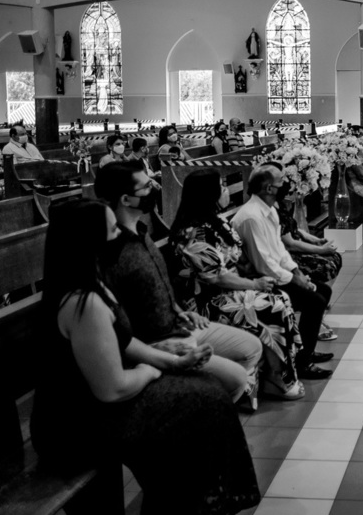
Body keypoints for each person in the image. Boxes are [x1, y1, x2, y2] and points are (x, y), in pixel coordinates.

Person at [30, 200, 260, 515]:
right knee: (198, 409)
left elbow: (124, 342)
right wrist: (151, 372)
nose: (117, 234)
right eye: (110, 229)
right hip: (75, 425)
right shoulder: (81, 301)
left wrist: (170, 360)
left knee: (205, 393)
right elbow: (112, 389)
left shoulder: (94, 281)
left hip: (97, 405)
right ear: (88, 239)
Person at [95, 161, 263, 405]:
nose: (154, 187)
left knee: (251, 347)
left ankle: (222, 408)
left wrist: (180, 311)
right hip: (154, 342)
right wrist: (159, 347)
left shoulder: (142, 232)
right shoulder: (113, 252)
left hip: (178, 324)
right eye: (147, 186)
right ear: (125, 199)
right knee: (235, 378)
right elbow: (118, 317)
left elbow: (161, 286)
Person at [170, 170, 305, 400]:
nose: (225, 191)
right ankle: (278, 378)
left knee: (281, 297)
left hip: (229, 289)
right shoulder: (194, 231)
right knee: (273, 305)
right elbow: (216, 277)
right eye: (221, 187)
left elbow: (235, 257)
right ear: (208, 194)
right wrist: (254, 284)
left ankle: (278, 373)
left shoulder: (215, 220)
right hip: (208, 300)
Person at [231, 165, 335, 380]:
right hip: (259, 279)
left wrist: (297, 272)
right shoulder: (251, 216)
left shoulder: (269, 209)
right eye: (281, 183)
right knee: (314, 300)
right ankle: (302, 363)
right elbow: (263, 263)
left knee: (323, 291)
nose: (285, 186)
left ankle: (304, 348)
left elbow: (278, 249)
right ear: (269, 188)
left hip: (275, 273)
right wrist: (295, 280)